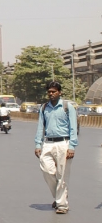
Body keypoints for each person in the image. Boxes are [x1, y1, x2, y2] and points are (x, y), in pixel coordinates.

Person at [35, 81, 77, 214]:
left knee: (62, 175)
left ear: (60, 92)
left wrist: (72, 146)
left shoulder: (67, 107)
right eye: (49, 92)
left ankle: (62, 205)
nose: (51, 94)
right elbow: (40, 127)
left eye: (53, 91)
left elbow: (73, 128)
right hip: (48, 143)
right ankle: (60, 196)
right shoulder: (44, 107)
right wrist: (38, 144)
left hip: (63, 143)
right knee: (46, 170)